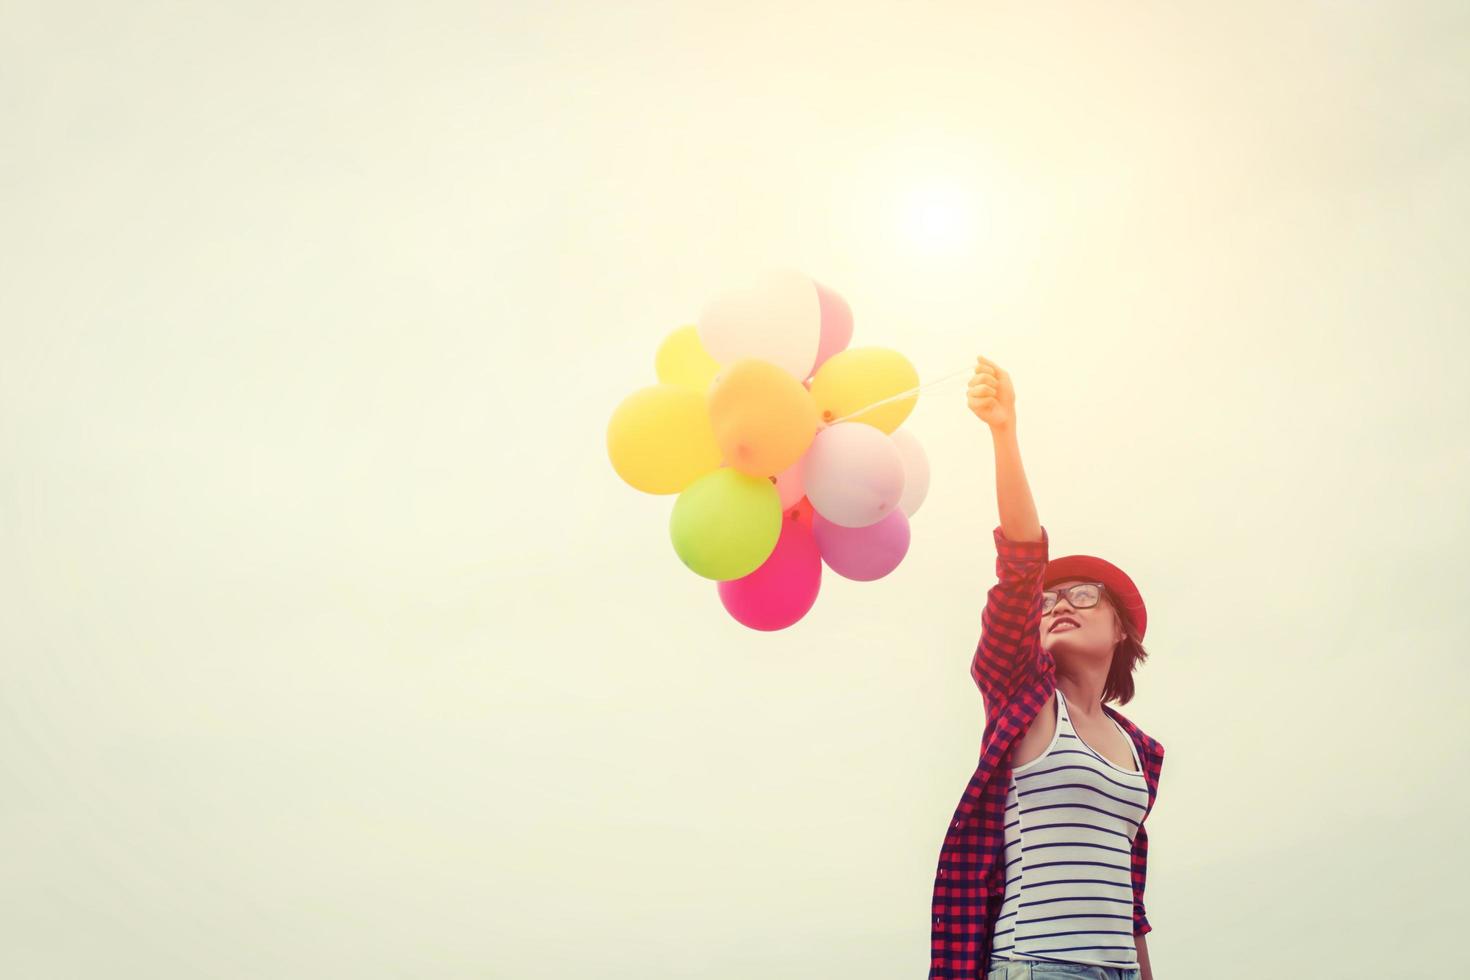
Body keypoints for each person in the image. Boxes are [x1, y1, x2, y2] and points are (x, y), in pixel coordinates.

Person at [928, 356, 1166, 980]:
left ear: (1121, 629)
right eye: (1050, 600)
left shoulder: (1143, 751)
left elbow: (1128, 897)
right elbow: (1021, 566)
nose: (1060, 604)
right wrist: (1004, 433)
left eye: (1084, 595)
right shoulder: (1025, 698)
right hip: (1037, 966)